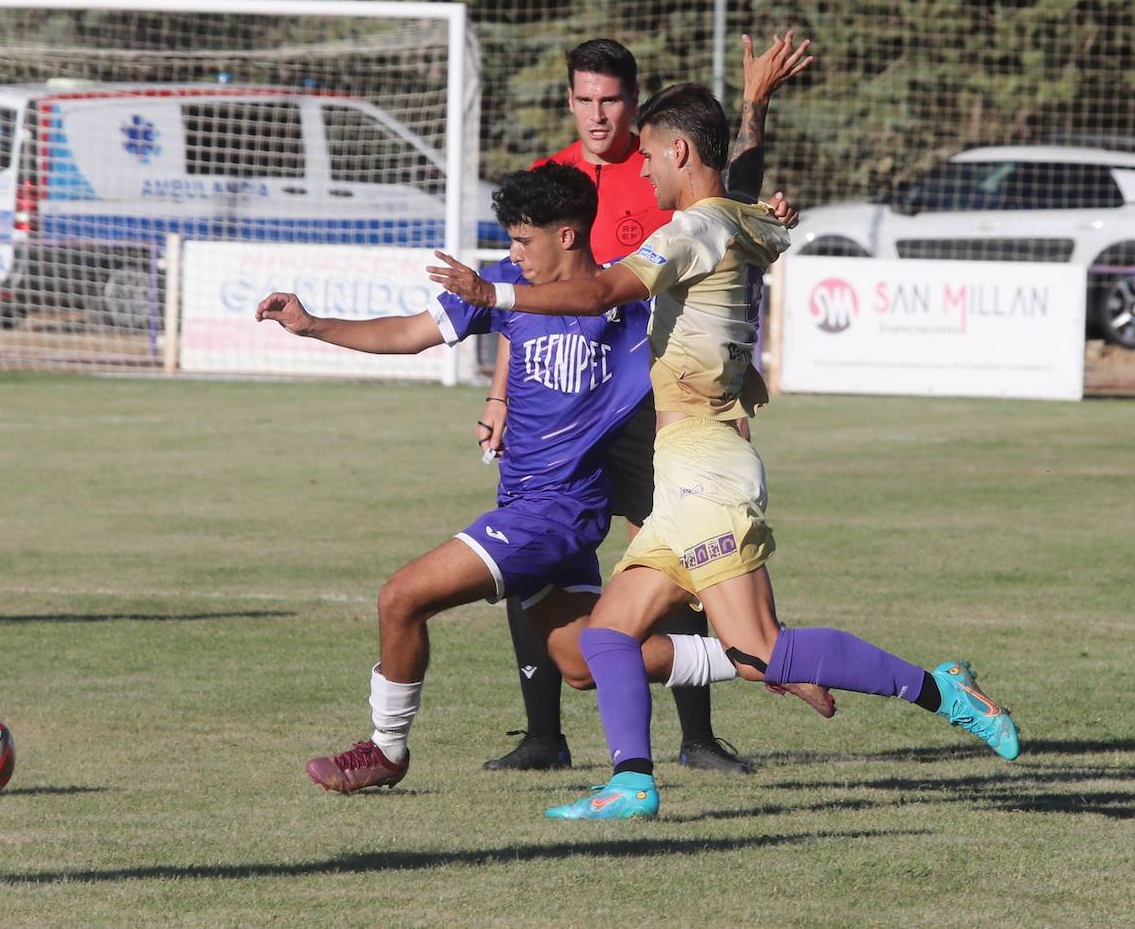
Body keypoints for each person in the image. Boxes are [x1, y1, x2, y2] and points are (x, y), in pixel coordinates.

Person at [428, 84, 1021, 821]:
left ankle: (943, 689)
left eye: (648, 156)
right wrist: (754, 106)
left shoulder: (689, 232)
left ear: (678, 151)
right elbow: (737, 182)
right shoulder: (745, 221)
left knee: (761, 648)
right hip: (682, 469)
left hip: (707, 467)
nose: (641, 172)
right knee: (608, 633)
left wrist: (496, 292)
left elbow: (596, 292)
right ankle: (633, 782)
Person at [258, 163, 759, 794]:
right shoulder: (500, 285)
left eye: (525, 241)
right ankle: (754, 658)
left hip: (555, 513)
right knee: (579, 661)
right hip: (527, 501)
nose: (513, 255)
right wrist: (313, 325)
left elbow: (715, 248)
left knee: (400, 597)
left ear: (569, 236)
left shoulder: (628, 305)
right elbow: (411, 333)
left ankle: (386, 750)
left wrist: (759, 198)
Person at [476, 32, 812, 776]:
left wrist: (754, 110)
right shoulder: (550, 176)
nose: (598, 114)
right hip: (562, 404)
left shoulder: (661, 167)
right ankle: (543, 735)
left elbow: (731, 200)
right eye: (584, 99)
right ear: (569, 100)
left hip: (638, 401)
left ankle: (696, 736)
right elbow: (529, 303)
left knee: (677, 544)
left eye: (612, 100)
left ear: (633, 105)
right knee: (534, 547)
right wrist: (501, 393)